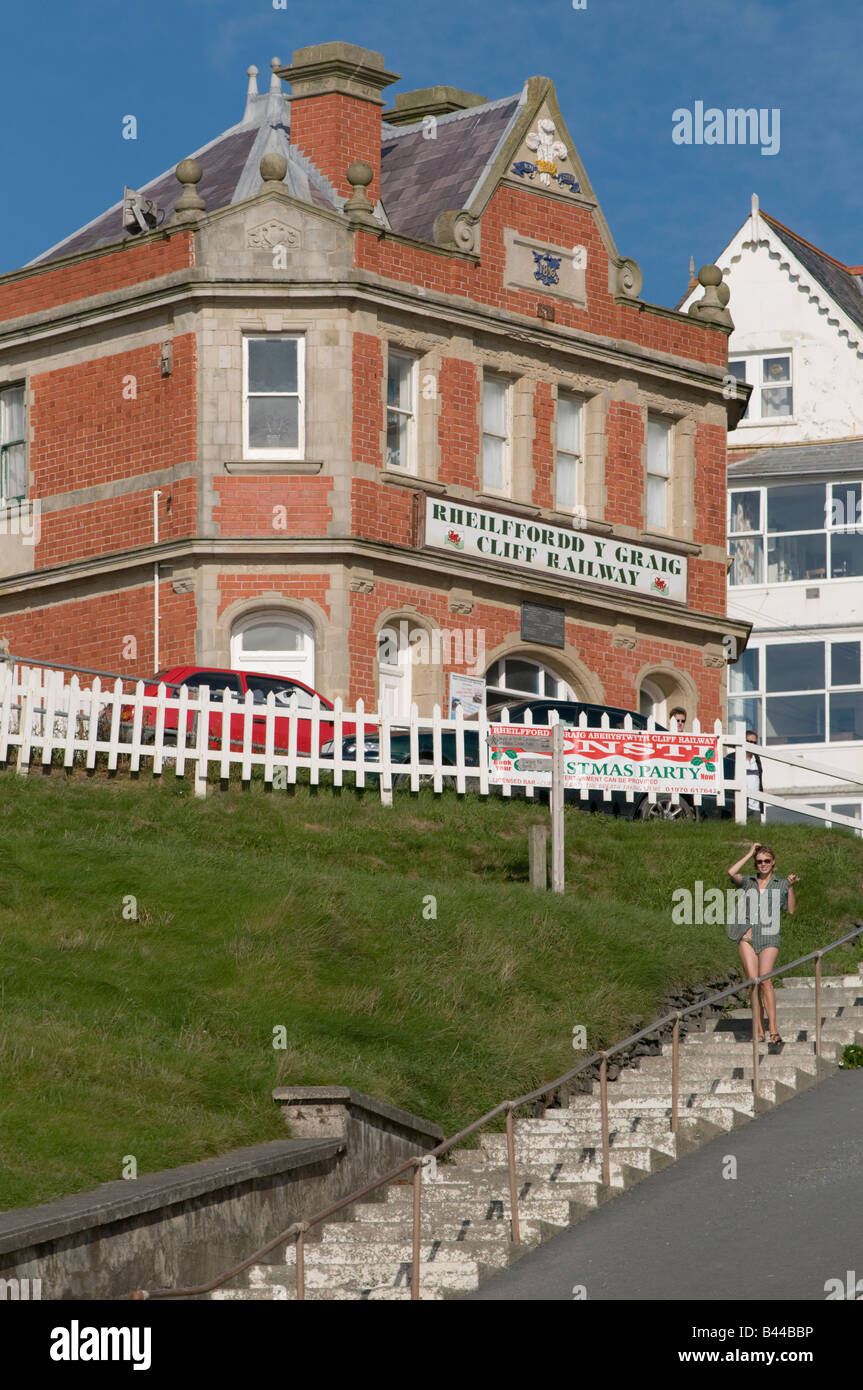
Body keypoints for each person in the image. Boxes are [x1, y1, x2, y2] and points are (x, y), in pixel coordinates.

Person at [726, 842, 798, 1049]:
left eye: (767, 861)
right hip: (747, 936)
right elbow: (732, 872)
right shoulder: (748, 881)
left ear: (773, 862)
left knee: (765, 981)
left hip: (769, 937)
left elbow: (791, 910)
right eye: (759, 862)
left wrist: (791, 888)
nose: (763, 864)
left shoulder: (781, 883)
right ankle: (758, 1031)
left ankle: (773, 1030)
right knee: (753, 983)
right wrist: (750, 852)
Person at [745, 729, 764, 821]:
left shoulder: (757, 760)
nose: (751, 744)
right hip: (741, 806)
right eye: (748, 741)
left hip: (756, 808)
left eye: (754, 742)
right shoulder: (734, 758)